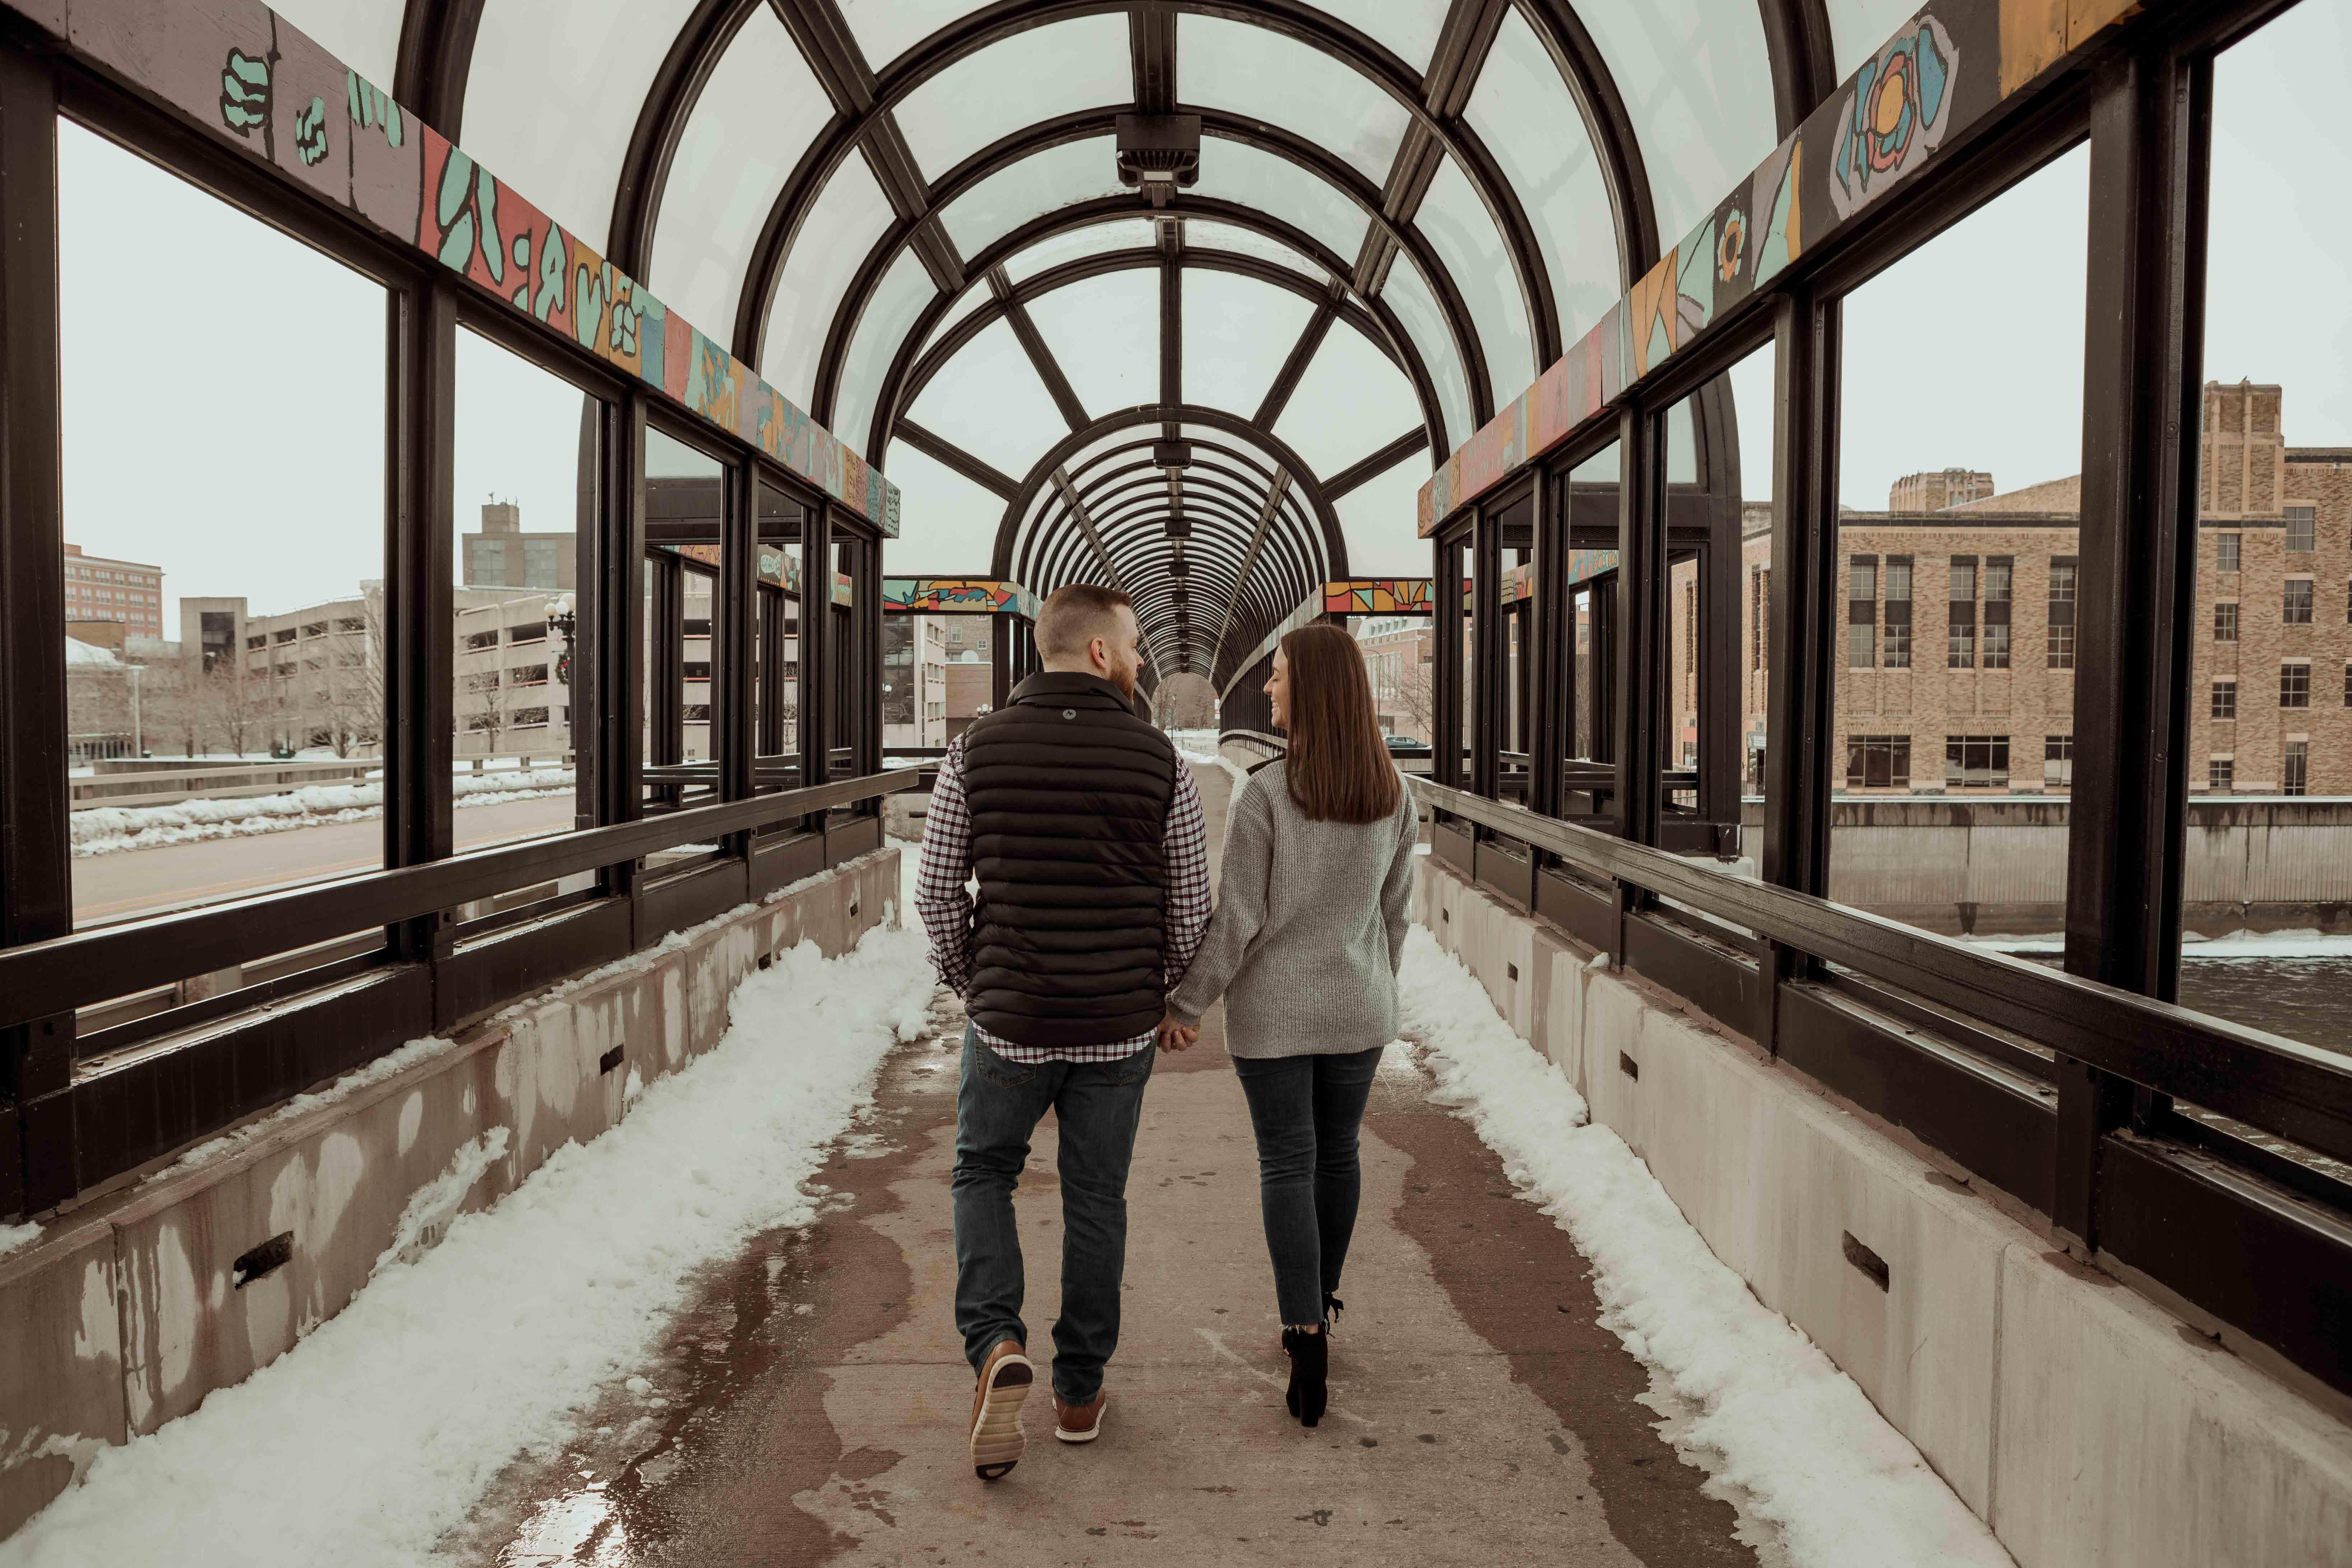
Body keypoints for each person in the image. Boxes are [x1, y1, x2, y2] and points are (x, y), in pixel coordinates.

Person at [914, 584, 1209, 1481]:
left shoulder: (974, 753)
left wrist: (979, 984)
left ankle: (995, 1344)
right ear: (1095, 654)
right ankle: (1079, 1392)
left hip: (1010, 1025)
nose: (1140, 661)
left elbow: (934, 895)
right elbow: (1193, 907)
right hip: (1116, 1034)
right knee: (1096, 1197)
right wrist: (1152, 989)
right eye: (1131, 646)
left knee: (984, 1171)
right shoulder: (1161, 763)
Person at [1163, 623, 1419, 1428]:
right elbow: (1397, 916)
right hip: (1359, 1008)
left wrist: (1187, 1003)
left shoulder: (1268, 794)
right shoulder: (1394, 794)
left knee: (1287, 1164)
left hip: (1274, 1013)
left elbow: (1237, 917)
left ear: (1309, 690)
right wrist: (1372, 983)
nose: (1268, 690)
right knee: (1337, 1155)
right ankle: (1323, 1306)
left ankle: (1302, 1329)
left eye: (1277, 678)